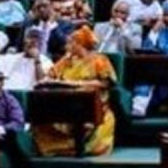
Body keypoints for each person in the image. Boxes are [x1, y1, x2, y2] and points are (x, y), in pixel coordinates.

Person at [33, 27, 117, 157]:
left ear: (79, 44)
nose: (67, 46)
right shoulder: (66, 60)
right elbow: (50, 76)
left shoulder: (99, 60)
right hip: (63, 101)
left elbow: (104, 83)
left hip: (91, 103)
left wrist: (72, 84)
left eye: (70, 42)